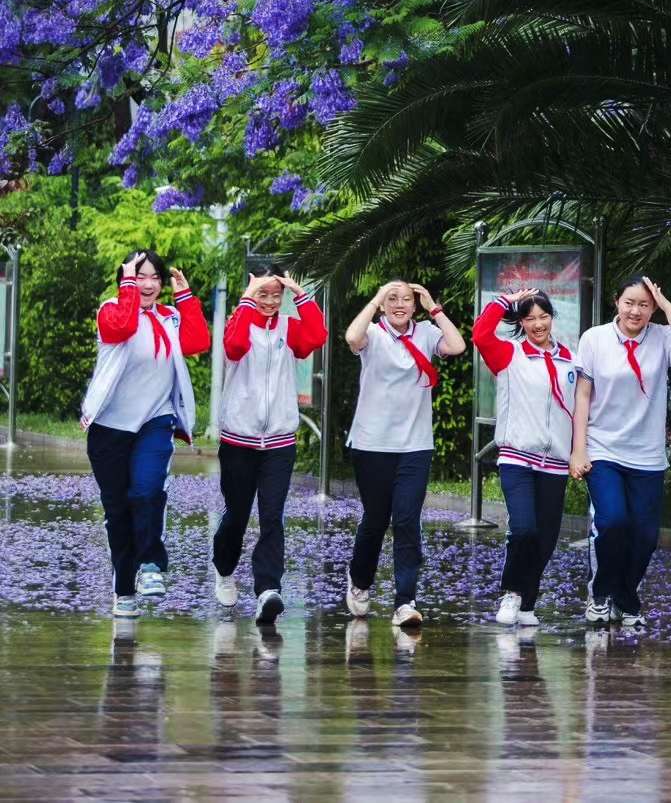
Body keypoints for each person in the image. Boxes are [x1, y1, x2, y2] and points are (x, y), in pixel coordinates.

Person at [82, 249, 211, 616]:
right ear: (126, 278)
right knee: (118, 511)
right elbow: (121, 327)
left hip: (156, 421)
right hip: (110, 429)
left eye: (155, 277)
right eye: (141, 276)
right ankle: (124, 589)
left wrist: (185, 297)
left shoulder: (169, 317)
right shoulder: (110, 309)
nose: (150, 284)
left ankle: (152, 566)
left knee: (148, 490)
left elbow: (198, 342)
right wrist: (127, 288)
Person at [569, 274, 671, 630]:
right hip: (604, 448)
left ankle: (626, 597)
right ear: (616, 302)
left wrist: (668, 306)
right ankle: (600, 594)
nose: (635, 311)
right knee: (612, 521)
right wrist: (578, 450)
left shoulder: (662, 337)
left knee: (645, 535)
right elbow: (582, 396)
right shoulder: (594, 339)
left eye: (644, 304)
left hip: (647, 454)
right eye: (629, 303)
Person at [343, 279, 466, 628]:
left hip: (415, 445)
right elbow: (353, 338)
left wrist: (434, 306)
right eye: (392, 299)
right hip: (372, 444)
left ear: (415, 305)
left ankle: (405, 600)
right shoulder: (374, 334)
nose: (399, 304)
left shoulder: (426, 332)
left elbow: (456, 346)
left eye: (407, 300)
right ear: (383, 305)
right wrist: (375, 299)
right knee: (376, 519)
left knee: (408, 521)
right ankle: (361, 580)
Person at [211, 266, 328, 628]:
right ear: (251, 294)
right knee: (237, 514)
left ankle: (267, 590)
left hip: (278, 439)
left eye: (276, 294)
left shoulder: (287, 327)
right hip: (239, 438)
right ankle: (225, 569)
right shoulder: (239, 322)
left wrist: (299, 293)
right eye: (263, 293)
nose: (270, 301)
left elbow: (317, 337)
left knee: (272, 516)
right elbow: (233, 347)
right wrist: (248, 298)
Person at [472, 286, 576, 627]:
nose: (537, 324)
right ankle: (511, 592)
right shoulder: (509, 354)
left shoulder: (572, 360)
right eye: (529, 318)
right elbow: (480, 334)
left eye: (543, 316)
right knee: (525, 529)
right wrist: (505, 301)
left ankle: (528, 602)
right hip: (517, 457)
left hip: (557, 462)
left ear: (552, 318)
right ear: (520, 322)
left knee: (545, 538)